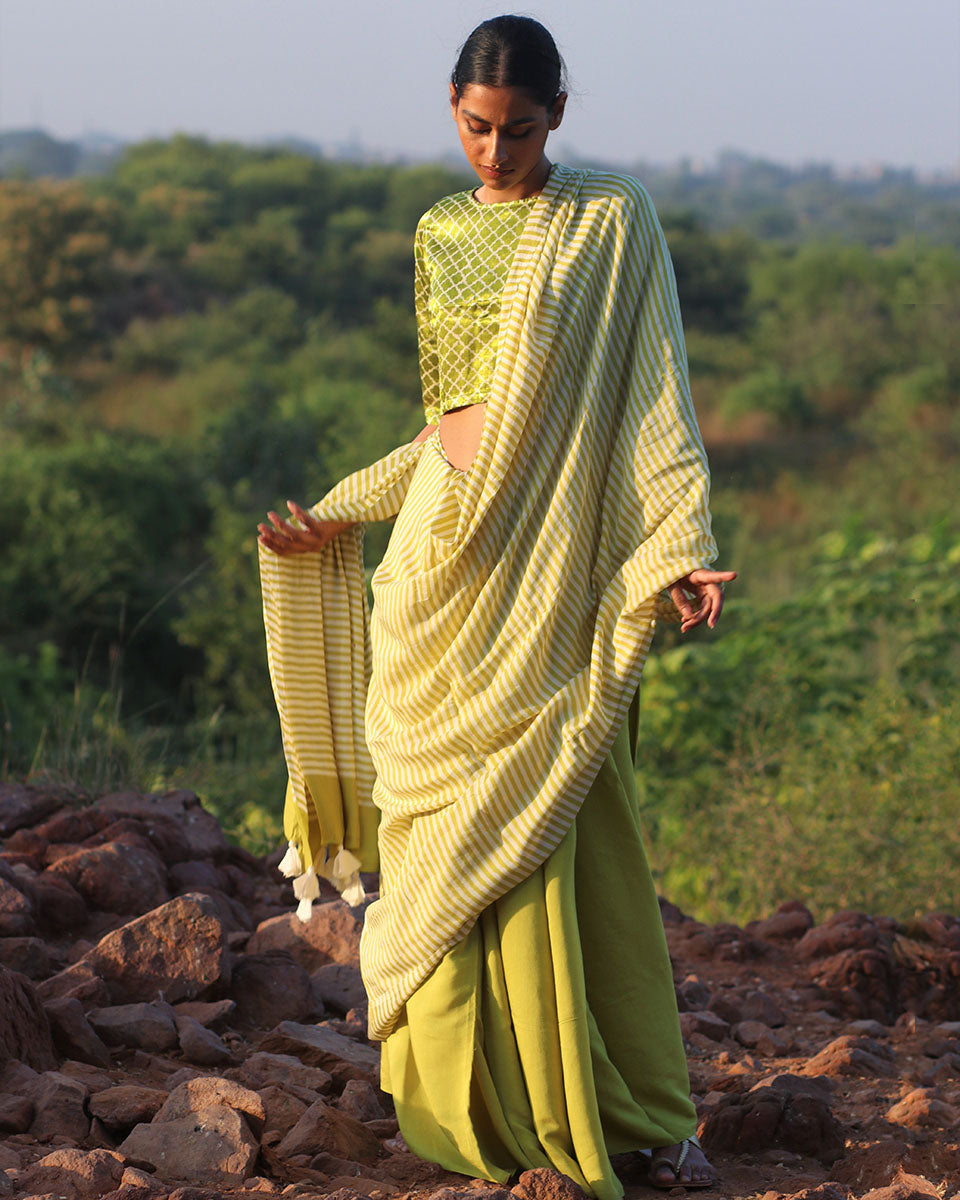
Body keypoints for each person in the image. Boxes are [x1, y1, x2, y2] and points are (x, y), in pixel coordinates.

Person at [258, 15, 734, 1194]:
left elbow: (653, 400)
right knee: (433, 840)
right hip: (440, 574)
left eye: (519, 131)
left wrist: (678, 546)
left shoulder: (610, 220)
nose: (495, 153)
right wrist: (337, 514)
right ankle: (457, 1112)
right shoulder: (439, 232)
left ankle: (611, 1110)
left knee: (560, 828)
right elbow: (445, 433)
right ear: (452, 111)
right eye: (476, 129)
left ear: (559, 117)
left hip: (548, 577)